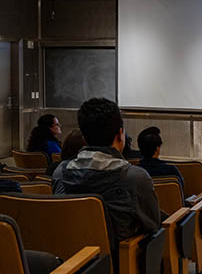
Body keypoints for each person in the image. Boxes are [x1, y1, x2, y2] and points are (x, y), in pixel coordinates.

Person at [52, 98, 161, 250]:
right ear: (120, 134)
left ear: (84, 138)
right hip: (120, 263)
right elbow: (153, 226)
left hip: (71, 260)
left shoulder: (61, 172)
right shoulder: (135, 177)